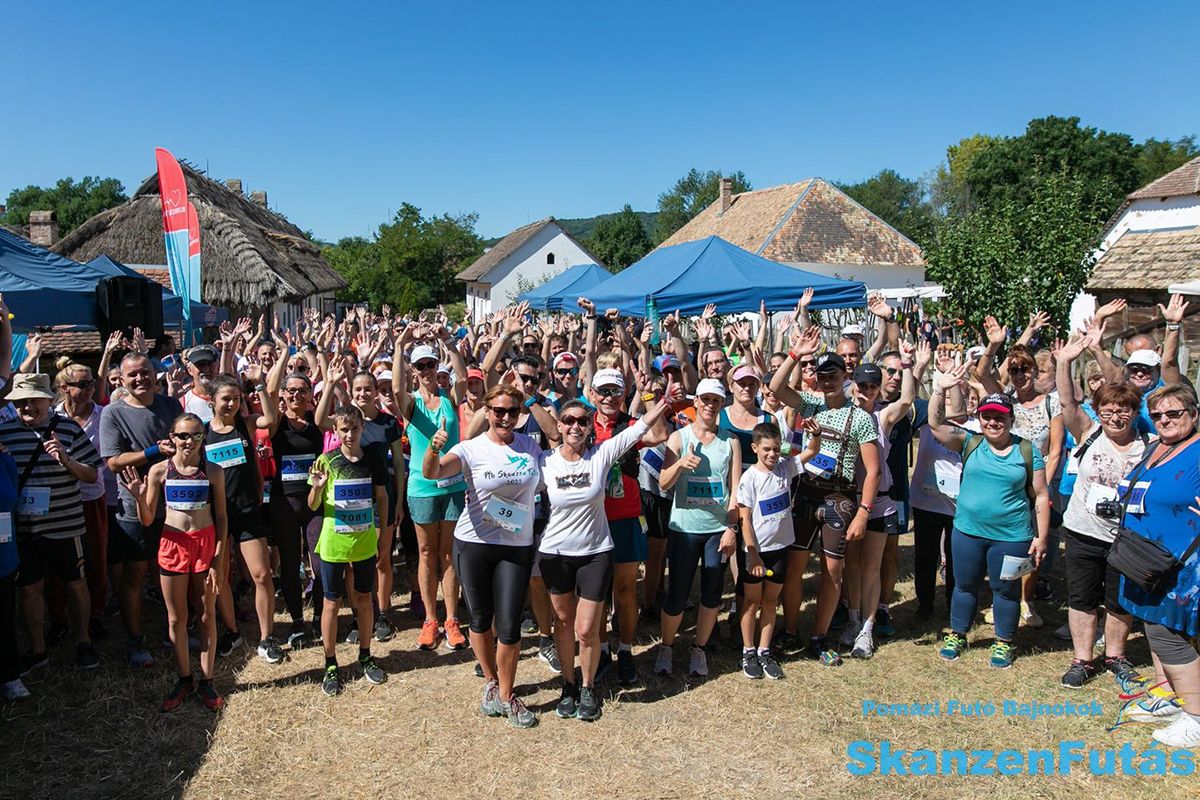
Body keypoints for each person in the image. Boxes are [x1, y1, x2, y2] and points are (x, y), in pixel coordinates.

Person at [539, 389, 673, 720]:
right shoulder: (545, 462)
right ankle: (568, 685)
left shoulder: (601, 454)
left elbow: (640, 428)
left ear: (589, 427)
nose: (575, 427)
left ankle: (587, 687)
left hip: (595, 552)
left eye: (582, 421)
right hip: (556, 553)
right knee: (563, 623)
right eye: (568, 421)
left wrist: (663, 400)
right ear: (560, 425)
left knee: (586, 629)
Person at [423, 385, 547, 729]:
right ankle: (492, 682)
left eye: (511, 411)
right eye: (498, 411)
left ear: (519, 413)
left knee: (508, 624)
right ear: (487, 412)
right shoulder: (470, 449)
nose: (505, 417)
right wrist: (434, 449)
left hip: (515, 547)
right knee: (479, 619)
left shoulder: (530, 447)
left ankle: (507, 696)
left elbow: (549, 480)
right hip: (473, 544)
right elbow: (433, 472)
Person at [768, 329, 881, 666]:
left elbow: (872, 470)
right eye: (822, 375)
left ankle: (818, 636)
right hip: (806, 492)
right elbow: (775, 388)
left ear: (846, 376)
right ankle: (789, 629)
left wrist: (863, 512)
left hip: (839, 496)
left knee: (833, 570)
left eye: (834, 375)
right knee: (795, 566)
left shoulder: (861, 417)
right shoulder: (811, 402)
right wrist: (794, 355)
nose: (827, 381)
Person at [929, 367, 1051, 669]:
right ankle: (958, 633)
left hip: (1011, 536)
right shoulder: (970, 442)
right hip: (967, 532)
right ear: (979, 417)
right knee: (964, 585)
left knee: (1005, 590)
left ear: (1011, 420)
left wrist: (1042, 537)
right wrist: (939, 389)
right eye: (986, 416)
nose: (992, 422)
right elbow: (934, 424)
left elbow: (1041, 496)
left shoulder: (1026, 451)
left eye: (999, 417)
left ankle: (1004, 641)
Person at [1053, 334, 1148, 690]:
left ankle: (1116, 656)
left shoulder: (1148, 448)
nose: (1115, 415)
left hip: (1126, 537)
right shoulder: (1089, 432)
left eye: (1123, 409)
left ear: (1135, 413)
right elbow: (1066, 401)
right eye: (1107, 410)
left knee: (1119, 601)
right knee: (1081, 597)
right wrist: (1065, 361)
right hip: (1083, 531)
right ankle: (1082, 659)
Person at [1114, 385, 1200, 748]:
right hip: (1144, 557)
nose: (1165, 420)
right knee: (1154, 627)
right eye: (1159, 415)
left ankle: (1196, 717)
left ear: (1194, 415)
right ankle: (1172, 696)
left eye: (1174, 413)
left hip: (1183, 563)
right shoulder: (1158, 447)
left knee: (1170, 634)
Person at [122, 413, 226, 711]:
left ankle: (207, 681)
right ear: (172, 437)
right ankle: (184, 678)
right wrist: (139, 497)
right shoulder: (158, 471)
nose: (189, 441)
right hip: (173, 544)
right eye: (182, 435)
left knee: (207, 615)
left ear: (202, 438)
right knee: (176, 618)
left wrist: (218, 560)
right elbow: (147, 519)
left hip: (205, 545)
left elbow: (221, 518)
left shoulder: (213, 471)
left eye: (195, 435)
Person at [0, 373, 102, 672]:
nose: (27, 406)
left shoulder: (67, 429)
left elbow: (93, 474)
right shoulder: (3, 434)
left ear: (48, 400)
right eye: (20, 402)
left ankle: (83, 642)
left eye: (33, 400)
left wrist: (67, 460)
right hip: (22, 529)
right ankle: (37, 650)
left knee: (74, 584)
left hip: (65, 525)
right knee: (30, 589)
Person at [656, 378, 742, 678]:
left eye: (715, 400)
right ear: (696, 403)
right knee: (677, 593)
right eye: (704, 399)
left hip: (716, 529)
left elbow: (735, 489)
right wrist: (680, 465)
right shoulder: (679, 438)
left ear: (721, 405)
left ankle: (699, 649)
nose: (709, 405)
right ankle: (666, 646)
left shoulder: (730, 442)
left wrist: (732, 527)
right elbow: (663, 483)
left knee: (712, 593)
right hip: (684, 529)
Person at [100, 352, 182, 667]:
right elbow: (112, 462)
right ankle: (135, 640)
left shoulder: (169, 406)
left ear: (154, 373)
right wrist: (151, 452)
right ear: (121, 378)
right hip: (134, 504)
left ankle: (172, 630)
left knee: (170, 570)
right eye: (132, 374)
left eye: (145, 372)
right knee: (135, 573)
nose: (140, 379)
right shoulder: (113, 413)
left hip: (173, 503)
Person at [589, 367, 669, 684]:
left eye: (615, 391)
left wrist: (648, 394)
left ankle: (624, 650)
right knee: (596, 593)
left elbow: (660, 434)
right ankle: (603, 649)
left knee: (624, 591)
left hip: (625, 516)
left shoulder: (631, 425)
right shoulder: (581, 423)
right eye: (603, 391)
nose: (609, 397)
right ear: (593, 394)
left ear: (624, 395)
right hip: (591, 520)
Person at [394, 330, 469, 652]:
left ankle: (451, 619)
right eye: (420, 366)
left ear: (437, 366)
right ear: (414, 370)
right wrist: (398, 346)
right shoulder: (411, 404)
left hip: (452, 483)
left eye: (430, 364)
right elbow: (397, 389)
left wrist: (449, 343)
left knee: (448, 554)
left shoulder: (449, 399)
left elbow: (463, 378)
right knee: (426, 553)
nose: (426, 371)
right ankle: (430, 618)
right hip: (421, 486)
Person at [307, 404, 389, 696]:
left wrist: (382, 536)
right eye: (345, 429)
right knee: (332, 602)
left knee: (364, 599)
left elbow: (381, 497)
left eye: (355, 428)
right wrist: (317, 487)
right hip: (333, 544)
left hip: (364, 542)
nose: (350, 434)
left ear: (362, 428)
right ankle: (330, 663)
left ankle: (365, 655)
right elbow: (313, 505)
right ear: (335, 431)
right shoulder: (326, 461)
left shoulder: (374, 460)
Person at [205, 373, 285, 664]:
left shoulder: (246, 424)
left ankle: (267, 637)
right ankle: (232, 631)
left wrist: (260, 385)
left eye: (237, 398)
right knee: (221, 577)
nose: (231, 403)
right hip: (215, 516)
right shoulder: (202, 433)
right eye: (226, 398)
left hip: (247, 511)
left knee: (262, 575)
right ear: (212, 400)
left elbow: (271, 418)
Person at [736, 420, 820, 680]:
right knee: (751, 602)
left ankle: (764, 650)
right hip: (756, 553)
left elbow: (811, 452)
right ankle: (748, 650)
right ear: (754, 448)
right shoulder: (749, 478)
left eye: (776, 449)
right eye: (766, 450)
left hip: (780, 549)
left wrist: (815, 436)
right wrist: (752, 554)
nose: (772, 455)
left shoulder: (785, 468)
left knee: (771, 602)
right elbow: (745, 520)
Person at [263, 368, 327, 648]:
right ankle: (297, 621)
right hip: (284, 502)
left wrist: (331, 376)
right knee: (290, 563)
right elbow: (269, 390)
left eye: (303, 390)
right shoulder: (276, 422)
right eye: (291, 391)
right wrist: (282, 358)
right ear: (283, 396)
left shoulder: (316, 421)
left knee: (320, 560)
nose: (297, 395)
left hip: (314, 500)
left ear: (311, 395)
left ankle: (320, 617)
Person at [348, 371, 406, 643]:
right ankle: (360, 613)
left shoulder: (389, 423)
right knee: (355, 561)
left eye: (367, 389)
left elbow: (397, 464)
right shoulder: (346, 422)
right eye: (357, 389)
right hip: (353, 499)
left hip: (384, 496)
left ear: (375, 391)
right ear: (351, 392)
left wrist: (399, 501)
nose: (363, 394)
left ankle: (383, 613)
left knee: (383, 558)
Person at [54, 363, 110, 641]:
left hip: (92, 496)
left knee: (95, 558)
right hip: (58, 499)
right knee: (60, 560)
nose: (89, 389)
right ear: (65, 388)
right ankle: (60, 616)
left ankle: (95, 613)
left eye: (91, 384)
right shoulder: (51, 416)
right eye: (82, 384)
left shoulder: (104, 415)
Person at [0, 440, 23, 700]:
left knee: (5, 615)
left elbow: (11, 500)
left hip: (3, 552)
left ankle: (8, 675)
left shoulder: (4, 460)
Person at [181, 345, 220, 423]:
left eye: (209, 364)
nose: (206, 369)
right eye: (200, 364)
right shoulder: (183, 402)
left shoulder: (228, 398)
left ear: (217, 367)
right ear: (189, 370)